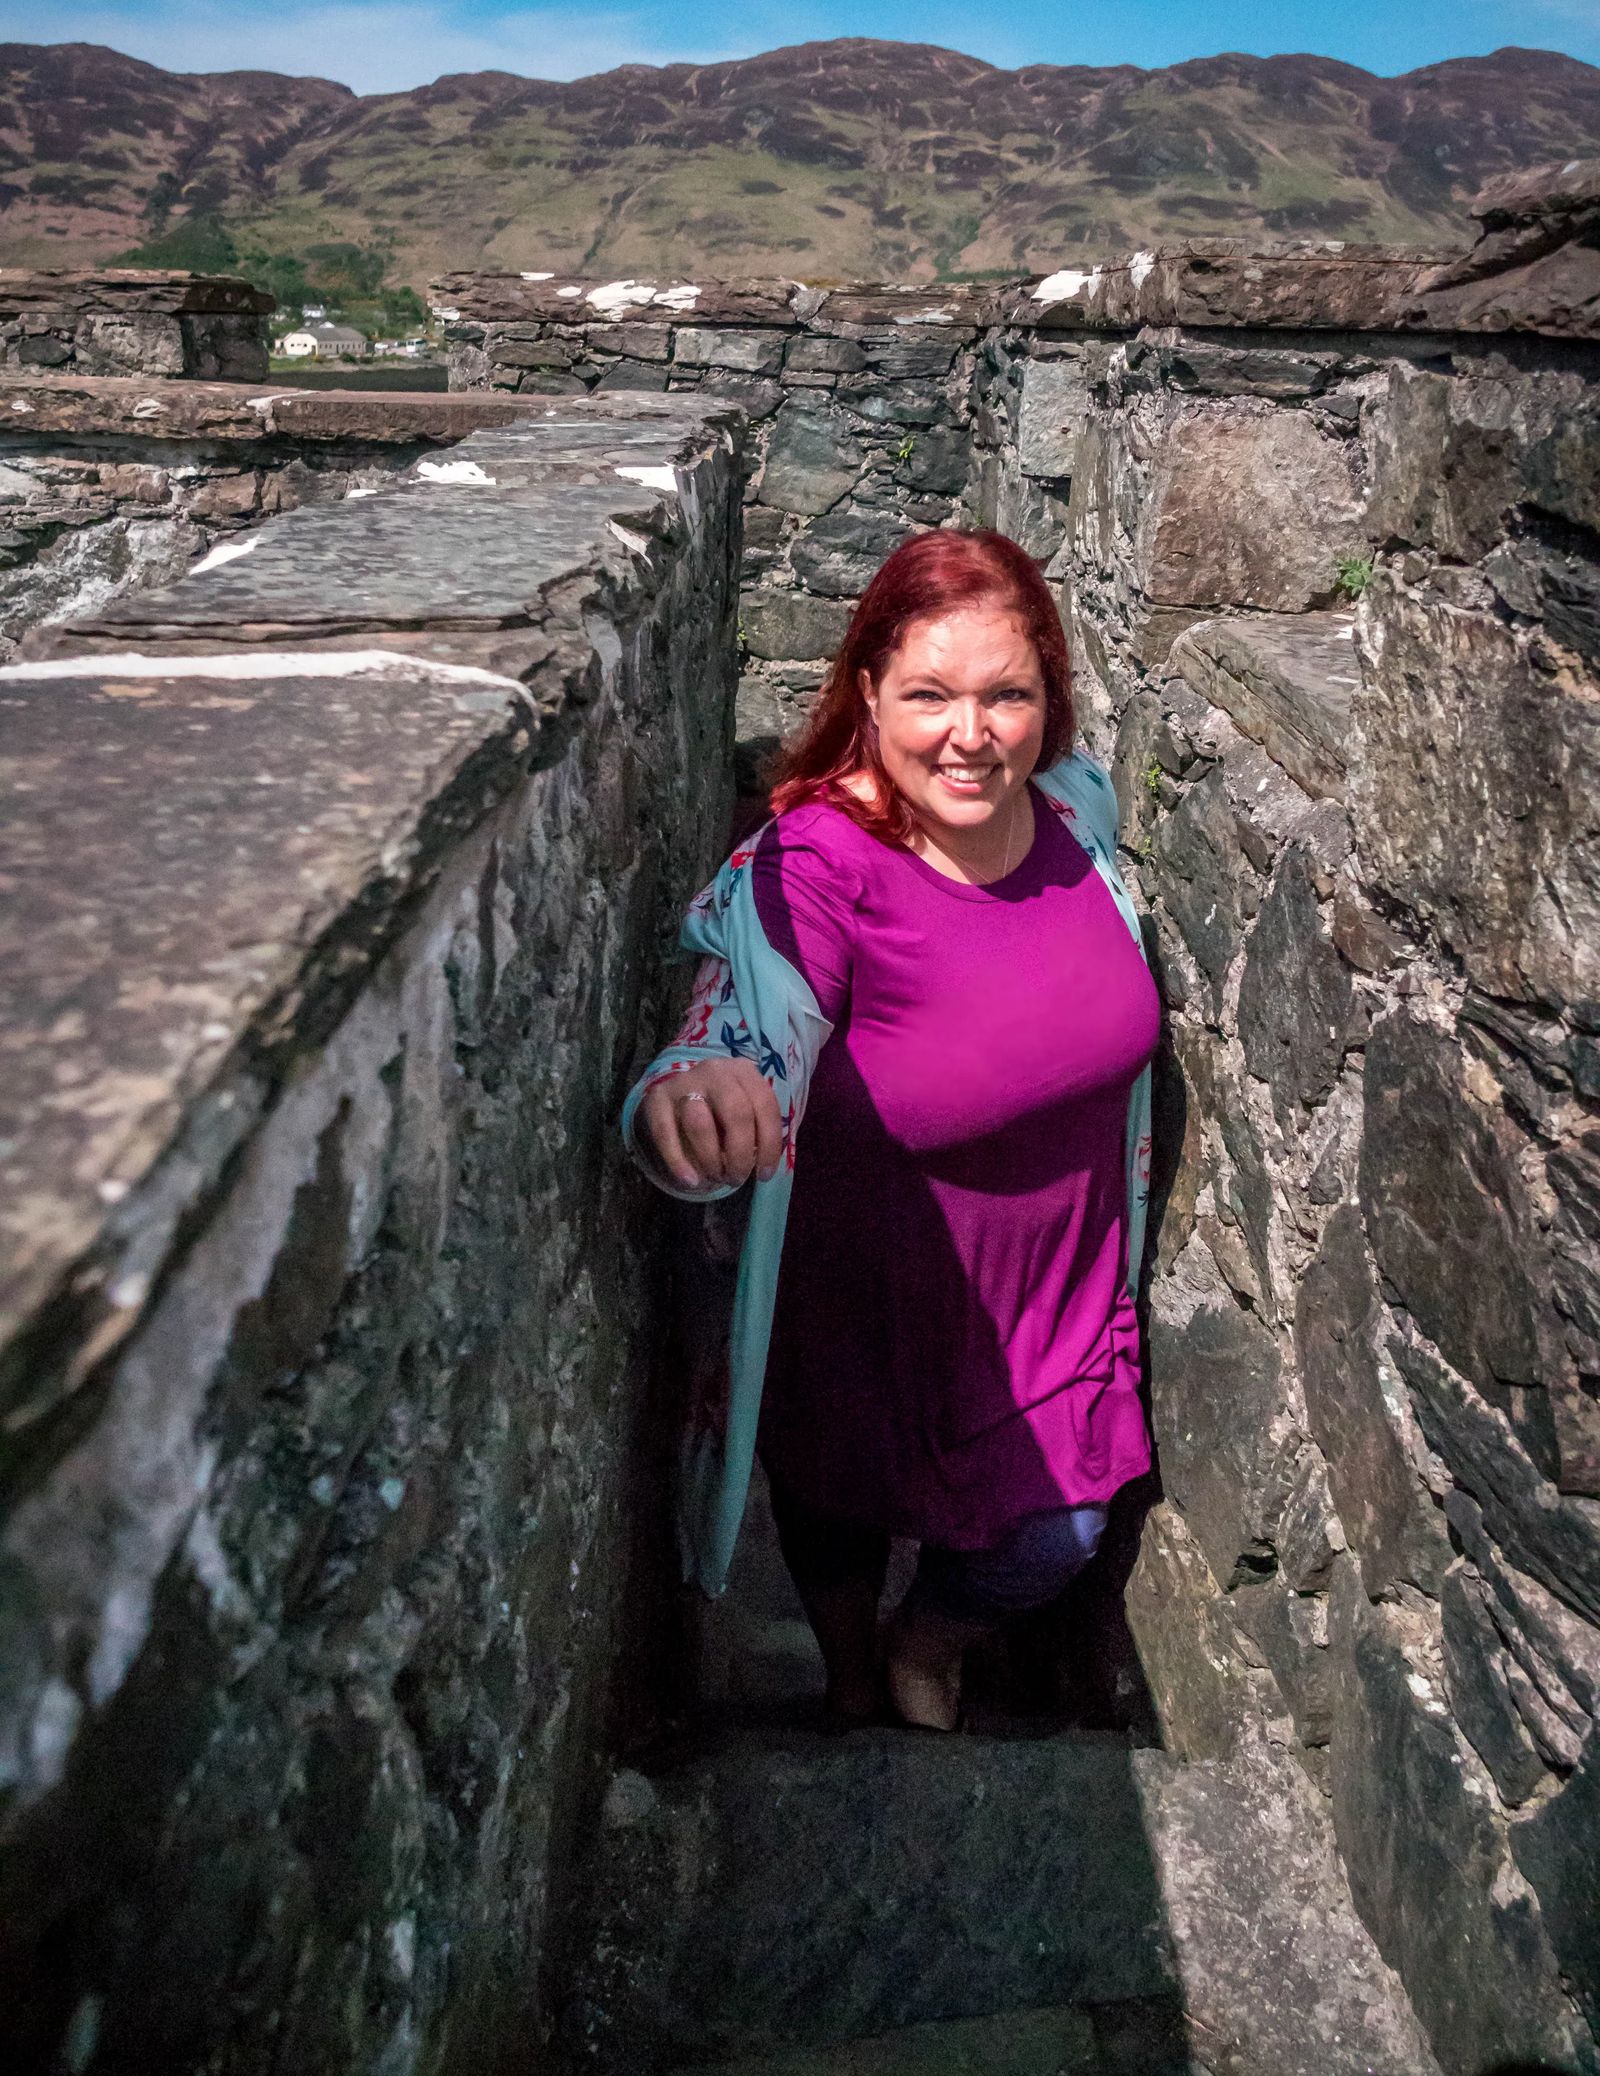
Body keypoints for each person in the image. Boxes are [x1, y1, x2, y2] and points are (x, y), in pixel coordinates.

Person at [624, 529, 1159, 1731]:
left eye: (1006, 695)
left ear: (1048, 702)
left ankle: (932, 1639)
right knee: (838, 1492)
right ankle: (853, 1675)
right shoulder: (816, 862)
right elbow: (740, 1027)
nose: (970, 735)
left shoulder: (1076, 809)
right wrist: (692, 1096)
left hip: (1059, 1298)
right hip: (867, 1289)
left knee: (1058, 1530)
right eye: (929, 694)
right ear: (867, 692)